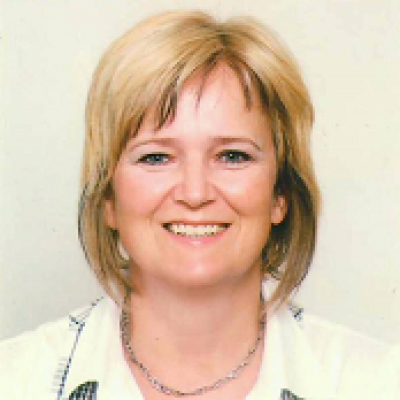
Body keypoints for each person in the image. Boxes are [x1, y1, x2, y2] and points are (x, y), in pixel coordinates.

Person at [0, 10, 398, 400]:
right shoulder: (15, 381)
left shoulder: (378, 384)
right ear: (108, 198)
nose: (195, 193)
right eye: (156, 157)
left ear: (281, 194)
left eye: (233, 156)